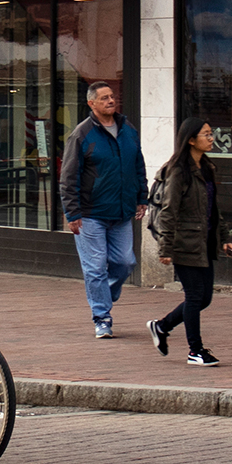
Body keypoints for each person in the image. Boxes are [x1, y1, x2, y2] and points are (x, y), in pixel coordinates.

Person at [58, 79, 148, 339]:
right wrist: (72, 213)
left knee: (125, 261)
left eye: (112, 96)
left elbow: (138, 165)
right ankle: (102, 318)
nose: (111, 100)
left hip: (121, 212)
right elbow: (69, 176)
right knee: (95, 267)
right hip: (90, 214)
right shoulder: (82, 134)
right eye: (104, 97)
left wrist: (142, 196)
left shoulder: (128, 129)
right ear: (91, 103)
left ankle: (104, 293)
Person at [146, 116, 232, 366]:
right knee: (195, 296)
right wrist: (166, 248)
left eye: (211, 134)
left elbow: (213, 209)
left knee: (203, 298)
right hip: (184, 243)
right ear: (190, 140)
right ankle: (195, 350)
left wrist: (224, 239)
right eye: (206, 135)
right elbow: (168, 211)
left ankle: (162, 326)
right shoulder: (178, 171)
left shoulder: (207, 168)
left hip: (204, 242)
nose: (211, 139)